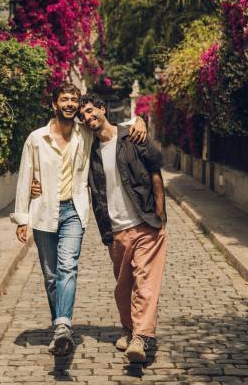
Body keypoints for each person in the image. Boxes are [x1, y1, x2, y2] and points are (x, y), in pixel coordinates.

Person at [10, 83, 147, 356]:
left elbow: (110, 125)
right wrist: (22, 218)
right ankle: (61, 327)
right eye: (65, 99)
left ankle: (62, 327)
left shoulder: (85, 134)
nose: (71, 104)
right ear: (54, 104)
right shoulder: (36, 139)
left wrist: (140, 120)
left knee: (67, 267)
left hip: (74, 209)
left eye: (74, 99)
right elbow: (26, 177)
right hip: (43, 211)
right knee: (51, 276)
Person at [34, 92, 167, 362]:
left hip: (145, 223)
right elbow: (62, 165)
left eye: (92, 111)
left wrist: (160, 213)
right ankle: (129, 329)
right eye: (84, 115)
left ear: (104, 109)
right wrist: (37, 186)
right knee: (123, 288)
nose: (88, 117)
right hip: (115, 230)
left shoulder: (131, 136)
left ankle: (141, 338)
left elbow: (155, 168)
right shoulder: (88, 147)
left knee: (145, 284)